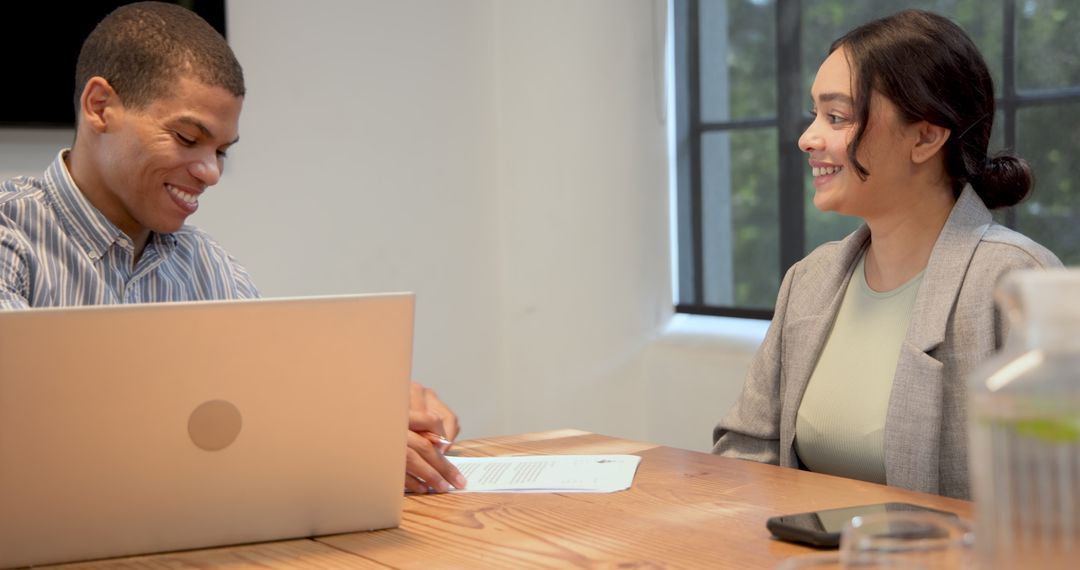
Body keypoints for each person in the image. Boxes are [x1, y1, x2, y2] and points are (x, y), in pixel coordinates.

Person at [0, 2, 464, 494]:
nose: (211, 173)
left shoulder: (209, 267)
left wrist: (368, 415)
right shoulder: (11, 234)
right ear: (100, 106)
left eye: (220, 150)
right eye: (187, 138)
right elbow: (31, 420)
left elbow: (269, 398)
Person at [711, 9, 1062, 500]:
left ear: (925, 136)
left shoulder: (1019, 284)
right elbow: (747, 450)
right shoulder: (808, 280)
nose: (808, 138)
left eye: (837, 117)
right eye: (815, 115)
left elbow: (1056, 497)